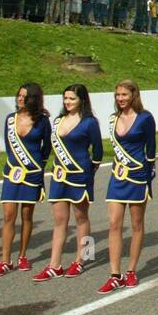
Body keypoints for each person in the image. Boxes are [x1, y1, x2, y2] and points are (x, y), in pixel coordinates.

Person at [34, 84, 103, 280]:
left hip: (80, 174)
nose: (68, 102)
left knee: (81, 218)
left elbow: (97, 152)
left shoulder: (89, 122)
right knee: (59, 221)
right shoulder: (57, 121)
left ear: (82, 99)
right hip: (59, 176)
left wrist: (90, 172)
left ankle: (83, 257)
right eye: (65, 98)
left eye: (72, 98)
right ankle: (54, 265)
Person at [100, 80, 156, 293]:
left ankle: (131, 270)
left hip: (138, 176)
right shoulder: (113, 119)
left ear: (134, 95)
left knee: (136, 225)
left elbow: (151, 149)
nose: (120, 98)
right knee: (114, 223)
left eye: (124, 94)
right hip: (117, 176)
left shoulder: (145, 118)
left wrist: (149, 176)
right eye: (118, 95)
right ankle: (115, 274)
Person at [0, 83, 51, 277]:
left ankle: (22, 255)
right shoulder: (10, 119)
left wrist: (37, 165)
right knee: (8, 216)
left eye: (24, 96)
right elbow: (9, 147)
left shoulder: (42, 121)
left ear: (33, 99)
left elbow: (47, 146)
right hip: (12, 173)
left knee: (26, 215)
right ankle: (5, 260)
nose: (20, 99)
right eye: (19, 95)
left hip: (32, 172)